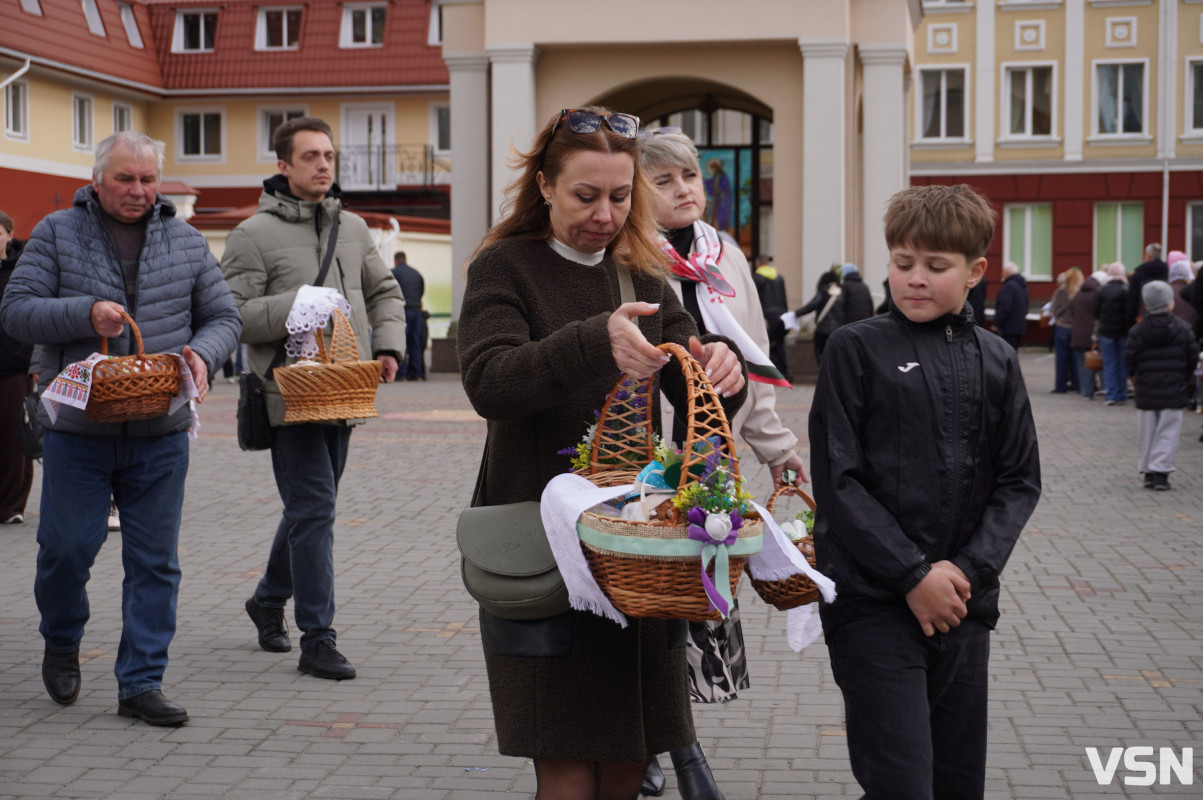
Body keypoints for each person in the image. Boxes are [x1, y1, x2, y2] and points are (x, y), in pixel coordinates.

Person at [456, 106, 748, 800]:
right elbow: (489, 383)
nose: (604, 214)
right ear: (546, 187)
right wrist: (594, 340)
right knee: (563, 763)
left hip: (634, 553)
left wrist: (719, 370)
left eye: (620, 197)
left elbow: (691, 383)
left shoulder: (642, 273)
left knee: (626, 755)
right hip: (538, 548)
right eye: (585, 195)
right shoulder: (504, 266)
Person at [809, 183, 1041, 800]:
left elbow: (1019, 481)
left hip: (962, 607)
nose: (915, 279)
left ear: (975, 272)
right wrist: (913, 574)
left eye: (936, 267)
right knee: (902, 784)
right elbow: (839, 481)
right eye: (902, 263)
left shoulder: (998, 358)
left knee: (957, 784)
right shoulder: (854, 348)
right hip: (871, 603)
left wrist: (963, 573)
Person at [0, 131, 241, 725]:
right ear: (98, 179)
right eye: (125, 179)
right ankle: (61, 638)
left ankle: (141, 682)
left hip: (160, 428)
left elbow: (223, 316)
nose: (138, 191)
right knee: (65, 550)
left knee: (156, 561)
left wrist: (203, 356)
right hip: (78, 429)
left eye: (148, 180)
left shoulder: (186, 242)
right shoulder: (57, 233)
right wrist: (84, 313)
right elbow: (16, 310)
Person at [640, 127, 805, 800]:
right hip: (646, 465)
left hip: (713, 466)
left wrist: (782, 456)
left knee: (694, 605)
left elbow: (754, 365)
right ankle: (660, 751)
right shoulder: (625, 258)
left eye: (690, 177)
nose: (684, 190)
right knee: (643, 605)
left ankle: (673, 741)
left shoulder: (723, 255)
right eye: (664, 181)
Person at [221, 117, 405, 681]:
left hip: (345, 388)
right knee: (316, 510)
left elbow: (382, 289)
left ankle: (267, 597)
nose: (324, 165)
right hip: (287, 396)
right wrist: (296, 302)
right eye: (310, 157)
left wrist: (391, 345)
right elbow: (231, 316)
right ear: (283, 166)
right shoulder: (251, 234)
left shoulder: (351, 226)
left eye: (329, 155)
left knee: (309, 511)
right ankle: (318, 639)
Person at [1125, 281, 1197, 491]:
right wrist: (1183, 378)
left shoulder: (1137, 330)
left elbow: (1130, 359)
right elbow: (1191, 357)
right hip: (1174, 388)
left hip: (1147, 388)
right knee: (1169, 430)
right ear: (1169, 303)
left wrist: (1137, 377)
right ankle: (1161, 472)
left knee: (1147, 430)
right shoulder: (1183, 329)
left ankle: (1148, 470)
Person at [0, 210, 34, 524]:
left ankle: (12, 506)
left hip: (15, 365)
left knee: (14, 436)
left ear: (9, 234)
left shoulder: (22, 269)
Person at [1094, 262, 1131, 405]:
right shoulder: (1126, 290)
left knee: (1109, 363)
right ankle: (1122, 394)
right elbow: (1129, 313)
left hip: (1106, 332)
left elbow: (1096, 313)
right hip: (1123, 332)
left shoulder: (1102, 290)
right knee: (1123, 363)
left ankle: (1111, 394)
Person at [751, 254, 791, 381]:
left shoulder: (756, 278)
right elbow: (784, 298)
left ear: (757, 264)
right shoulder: (779, 278)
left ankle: (769, 373)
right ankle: (783, 371)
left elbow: (753, 300)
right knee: (779, 343)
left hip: (766, 316)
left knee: (764, 344)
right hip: (781, 315)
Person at [391, 251, 427, 381]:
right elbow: (422, 291)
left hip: (403, 311)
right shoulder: (416, 273)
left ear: (395, 260)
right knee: (415, 342)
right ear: (405, 259)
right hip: (416, 311)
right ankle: (416, 373)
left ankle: (401, 373)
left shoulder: (394, 272)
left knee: (402, 341)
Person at [794, 269, 843, 360]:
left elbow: (813, 304)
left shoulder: (823, 291)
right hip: (839, 329)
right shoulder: (842, 293)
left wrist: (797, 313)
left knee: (822, 356)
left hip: (823, 330)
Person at [1050, 267, 1083, 393]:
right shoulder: (1080, 292)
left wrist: (1058, 317)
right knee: (1076, 358)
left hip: (1062, 327)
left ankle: (1060, 386)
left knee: (1061, 359)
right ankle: (1079, 384)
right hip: (1076, 328)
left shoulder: (1060, 292)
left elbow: (1053, 309)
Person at [1070, 268, 1100, 399]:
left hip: (1077, 334)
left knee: (1082, 364)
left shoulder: (1078, 295)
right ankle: (1098, 389)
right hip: (1092, 334)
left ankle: (1085, 391)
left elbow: (1072, 313)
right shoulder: (1097, 295)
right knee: (1096, 362)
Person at [1126, 243, 1168, 329]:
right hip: (1164, 319)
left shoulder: (1139, 274)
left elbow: (1132, 299)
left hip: (1142, 319)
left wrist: (1129, 322)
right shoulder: (1167, 272)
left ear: (1148, 256)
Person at [992, 261, 1029, 350]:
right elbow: (1026, 306)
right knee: (1013, 353)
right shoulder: (1023, 286)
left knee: (1006, 353)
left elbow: (1004, 307)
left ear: (1007, 273)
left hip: (1008, 327)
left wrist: (996, 323)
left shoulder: (1008, 287)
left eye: (1003, 272)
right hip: (1019, 326)